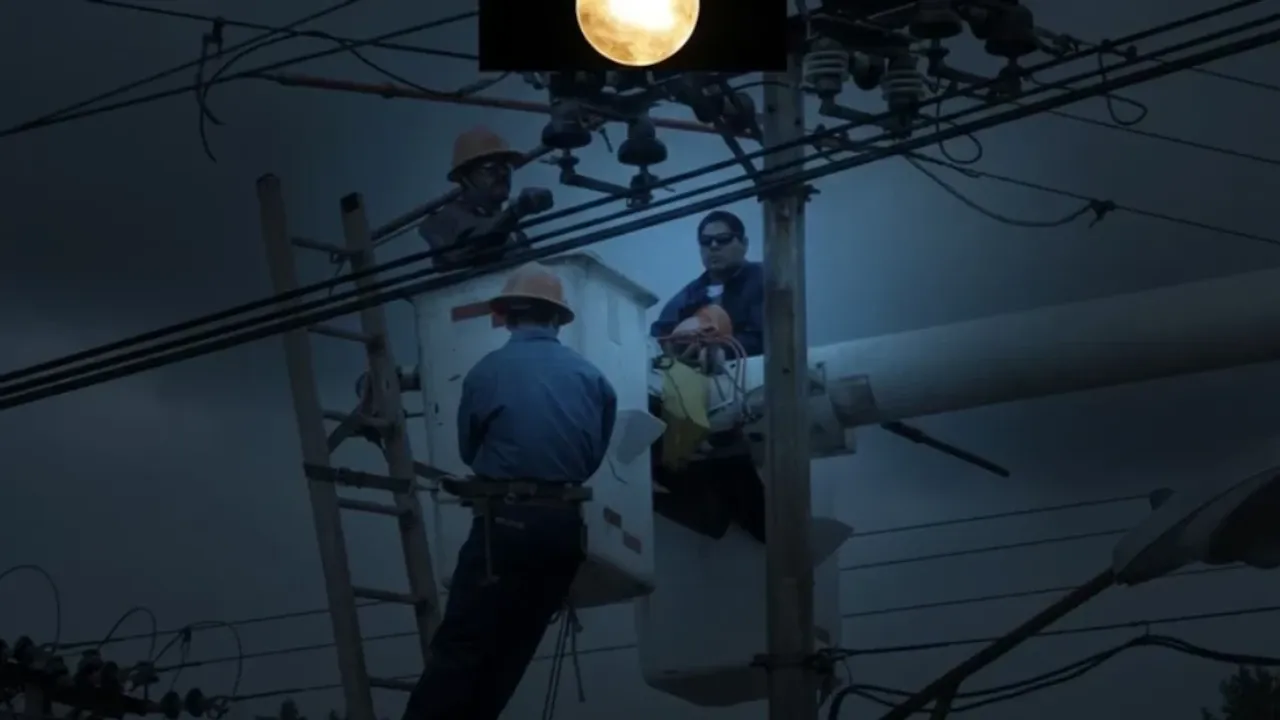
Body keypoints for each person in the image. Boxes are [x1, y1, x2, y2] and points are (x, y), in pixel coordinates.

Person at [400, 262, 617, 720]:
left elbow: (469, 449)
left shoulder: (487, 372)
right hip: (563, 531)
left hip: (505, 525)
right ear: (557, 318)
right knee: (512, 652)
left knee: (462, 649)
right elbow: (592, 457)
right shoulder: (592, 377)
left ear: (507, 316)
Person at [418, 126, 554, 266]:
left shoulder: (513, 229)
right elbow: (463, 253)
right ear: (465, 177)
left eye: (505, 167)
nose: (502, 173)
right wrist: (516, 211)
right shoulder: (439, 221)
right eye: (490, 167)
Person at [649, 210, 764, 357]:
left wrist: (720, 350)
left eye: (723, 239)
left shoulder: (766, 280)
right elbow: (659, 335)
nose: (713, 246)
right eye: (705, 241)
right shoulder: (689, 295)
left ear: (744, 243)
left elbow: (768, 336)